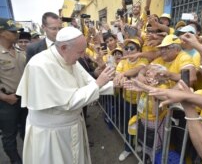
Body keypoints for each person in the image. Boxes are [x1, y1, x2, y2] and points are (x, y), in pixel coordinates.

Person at [16, 27, 115, 164]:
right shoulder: (39, 65)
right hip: (51, 135)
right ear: (63, 47)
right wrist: (98, 84)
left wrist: (115, 85)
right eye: (80, 52)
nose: (82, 56)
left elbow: (89, 83)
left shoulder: (70, 59)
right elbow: (68, 102)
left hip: (73, 126)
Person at [0, 18, 25, 164]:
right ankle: (16, 161)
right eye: (13, 31)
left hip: (24, 99)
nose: (17, 34)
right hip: (7, 101)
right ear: (2, 33)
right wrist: (4, 97)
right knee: (9, 136)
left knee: (27, 131)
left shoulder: (20, 52)